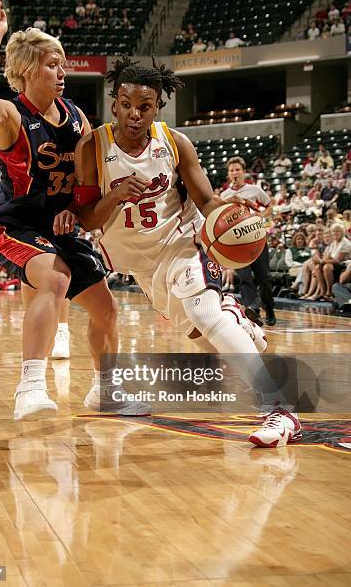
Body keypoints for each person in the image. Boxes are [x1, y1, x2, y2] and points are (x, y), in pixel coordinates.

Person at [73, 56, 301, 448]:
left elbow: (206, 200)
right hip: (142, 267)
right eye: (126, 104)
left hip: (183, 242)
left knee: (203, 311)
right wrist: (113, 196)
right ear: (115, 104)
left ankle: (280, 409)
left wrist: (234, 216)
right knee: (198, 332)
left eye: (144, 106)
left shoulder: (175, 144)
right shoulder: (93, 146)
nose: (134, 114)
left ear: (157, 107)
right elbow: (88, 219)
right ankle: (238, 320)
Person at [0, 0, 135, 421]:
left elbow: (83, 185)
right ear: (27, 71)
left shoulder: (78, 119)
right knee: (55, 280)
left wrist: (78, 214)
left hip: (61, 227)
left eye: (62, 63)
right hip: (17, 224)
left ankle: (105, 392)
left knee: (106, 307)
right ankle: (31, 387)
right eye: (52, 64)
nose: (62, 72)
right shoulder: (12, 116)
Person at [221, 157, 276, 326]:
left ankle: (269, 307)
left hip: (257, 239)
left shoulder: (255, 190)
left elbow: (270, 205)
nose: (234, 173)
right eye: (231, 170)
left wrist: (261, 215)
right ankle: (253, 309)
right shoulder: (225, 196)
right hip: (237, 243)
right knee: (244, 278)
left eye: (237, 169)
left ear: (243, 171)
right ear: (228, 174)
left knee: (264, 278)